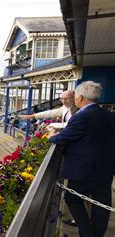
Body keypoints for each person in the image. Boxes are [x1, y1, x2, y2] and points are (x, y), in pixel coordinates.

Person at [48, 81, 113, 237]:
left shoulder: (82, 116)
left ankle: (86, 233)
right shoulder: (108, 115)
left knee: (72, 199)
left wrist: (51, 135)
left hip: (84, 170)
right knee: (102, 205)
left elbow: (63, 138)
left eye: (76, 96)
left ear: (81, 97)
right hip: (106, 168)